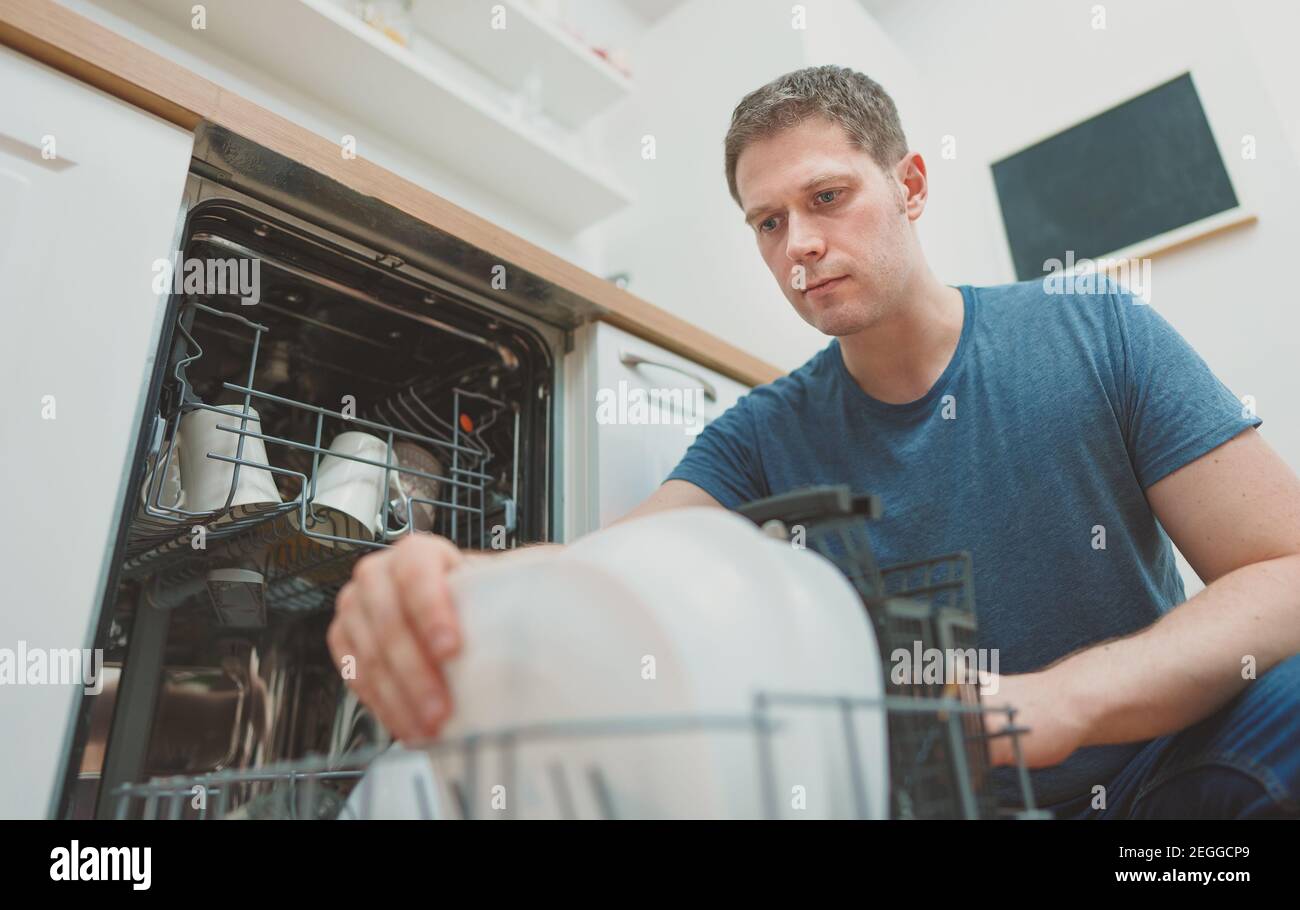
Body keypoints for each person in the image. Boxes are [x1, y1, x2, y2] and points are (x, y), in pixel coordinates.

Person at [326, 66, 1300, 819]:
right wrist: (449, 582)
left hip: (1162, 775)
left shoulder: (1094, 333)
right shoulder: (759, 437)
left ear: (909, 184)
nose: (797, 244)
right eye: (768, 221)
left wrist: (1061, 703)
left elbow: (1285, 567)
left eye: (827, 198)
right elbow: (613, 571)